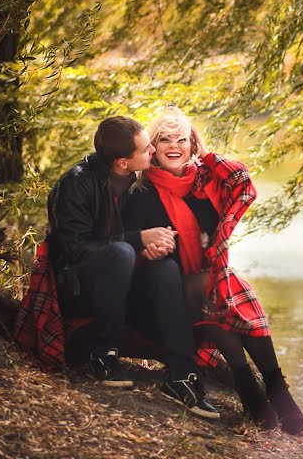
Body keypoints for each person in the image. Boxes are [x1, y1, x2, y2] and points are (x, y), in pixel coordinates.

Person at [123, 107, 303, 435]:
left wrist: (207, 155)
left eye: (182, 139)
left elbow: (243, 184)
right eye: (165, 139)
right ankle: (267, 389)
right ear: (153, 146)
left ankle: (261, 386)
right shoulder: (140, 190)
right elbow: (128, 244)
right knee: (218, 284)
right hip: (162, 297)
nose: (174, 145)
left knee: (220, 284)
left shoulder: (203, 182)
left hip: (207, 289)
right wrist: (146, 248)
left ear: (193, 145)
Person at [46, 115, 218, 418]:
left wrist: (152, 248)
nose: (153, 150)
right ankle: (104, 354)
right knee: (121, 252)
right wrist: (137, 239)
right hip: (79, 287)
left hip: (123, 286)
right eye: (146, 148)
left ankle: (180, 373)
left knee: (163, 268)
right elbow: (71, 250)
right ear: (123, 162)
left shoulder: (137, 183)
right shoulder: (76, 184)